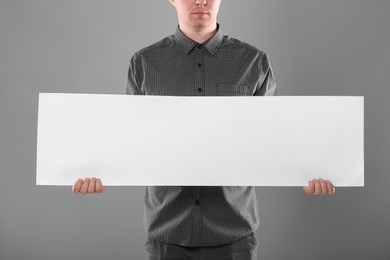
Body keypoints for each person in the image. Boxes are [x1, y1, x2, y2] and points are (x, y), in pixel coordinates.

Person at [72, 0, 335, 259]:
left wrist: (303, 175)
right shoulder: (144, 63)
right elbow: (130, 140)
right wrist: (102, 173)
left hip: (235, 234)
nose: (200, 1)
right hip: (167, 233)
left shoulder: (253, 62)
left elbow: (274, 139)